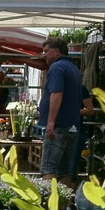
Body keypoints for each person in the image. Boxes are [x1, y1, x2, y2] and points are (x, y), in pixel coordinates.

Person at [38, 37, 83, 187]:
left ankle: (50, 207)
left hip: (58, 126)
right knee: (65, 170)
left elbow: (56, 93)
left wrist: (51, 122)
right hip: (72, 125)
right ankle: (63, 208)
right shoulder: (73, 68)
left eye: (46, 51)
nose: (43, 54)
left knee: (49, 169)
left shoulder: (57, 68)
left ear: (56, 52)